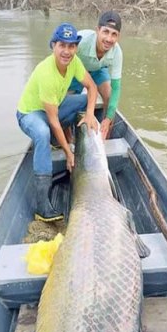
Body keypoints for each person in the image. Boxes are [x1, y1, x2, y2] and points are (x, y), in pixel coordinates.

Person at [17, 22, 99, 222]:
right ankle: (42, 207)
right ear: (53, 46)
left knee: (82, 100)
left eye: (71, 46)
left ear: (76, 48)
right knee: (43, 134)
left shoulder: (75, 62)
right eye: (62, 45)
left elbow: (92, 87)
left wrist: (89, 114)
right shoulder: (46, 73)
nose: (67, 51)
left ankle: (62, 138)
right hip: (30, 115)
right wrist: (68, 153)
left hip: (52, 111)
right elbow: (53, 121)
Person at [68, 11, 123, 140]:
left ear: (118, 36)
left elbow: (116, 87)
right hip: (76, 69)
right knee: (65, 102)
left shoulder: (117, 52)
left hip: (98, 69)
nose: (109, 39)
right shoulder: (81, 41)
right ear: (97, 30)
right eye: (106, 32)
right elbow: (62, 61)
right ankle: (69, 139)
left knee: (109, 97)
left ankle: (105, 137)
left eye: (114, 34)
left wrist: (108, 118)